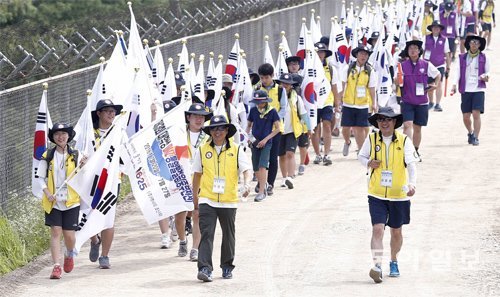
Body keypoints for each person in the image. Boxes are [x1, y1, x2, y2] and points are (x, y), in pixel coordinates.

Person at [358, 107, 418, 283]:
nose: (384, 122)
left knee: (396, 232)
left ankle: (394, 260)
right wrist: (369, 162)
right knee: (377, 229)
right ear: (377, 122)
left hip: (399, 194)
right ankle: (377, 265)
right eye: (381, 119)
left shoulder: (404, 140)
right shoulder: (371, 138)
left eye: (388, 119)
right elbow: (361, 157)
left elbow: (412, 164)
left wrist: (412, 184)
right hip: (376, 193)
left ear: (394, 122)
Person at [192, 115, 252, 282]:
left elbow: (246, 170)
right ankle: (204, 268)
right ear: (209, 131)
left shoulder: (237, 149)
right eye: (213, 128)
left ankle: (227, 266)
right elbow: (197, 175)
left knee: (228, 235)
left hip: (228, 199)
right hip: (207, 198)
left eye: (220, 128)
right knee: (207, 234)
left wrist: (246, 185)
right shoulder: (202, 150)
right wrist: (194, 198)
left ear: (227, 131)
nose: (217, 131)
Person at [37, 123, 85, 279]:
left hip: (71, 201)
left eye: (64, 133)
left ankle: (69, 254)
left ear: (68, 136)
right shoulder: (47, 156)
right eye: (57, 134)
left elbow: (85, 175)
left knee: (70, 236)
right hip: (53, 200)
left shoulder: (77, 154)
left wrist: (84, 165)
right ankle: (56, 266)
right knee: (56, 231)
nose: (61, 136)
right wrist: (47, 192)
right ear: (53, 137)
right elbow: (39, 177)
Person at [88, 99, 123, 269]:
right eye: (107, 110)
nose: (111, 114)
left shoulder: (118, 133)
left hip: (111, 181)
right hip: (91, 182)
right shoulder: (89, 133)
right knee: (89, 215)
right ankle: (95, 240)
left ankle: (105, 256)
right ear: (99, 114)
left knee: (108, 219)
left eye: (113, 111)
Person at [397, 40, 441, 160]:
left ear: (419, 51)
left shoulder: (426, 64)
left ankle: (415, 150)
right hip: (407, 101)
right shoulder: (401, 66)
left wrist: (435, 85)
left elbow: (438, 75)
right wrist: (397, 79)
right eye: (410, 48)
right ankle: (408, 152)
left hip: (422, 101)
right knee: (407, 125)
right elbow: (397, 82)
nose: (413, 50)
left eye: (415, 48)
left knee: (417, 128)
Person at [450, 35, 490, 146]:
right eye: (472, 42)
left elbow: (488, 72)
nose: (474, 44)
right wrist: (454, 85)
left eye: (477, 43)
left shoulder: (484, 57)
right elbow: (457, 72)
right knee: (466, 116)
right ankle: (471, 132)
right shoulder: (462, 57)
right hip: (466, 89)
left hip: (478, 89)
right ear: (468, 44)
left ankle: (476, 137)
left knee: (476, 114)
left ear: (480, 45)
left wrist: (486, 76)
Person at [339, 45, 378, 157]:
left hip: (363, 104)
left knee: (359, 128)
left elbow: (372, 88)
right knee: (345, 128)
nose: (363, 56)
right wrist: (339, 100)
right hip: (348, 103)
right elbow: (342, 84)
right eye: (361, 53)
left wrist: (374, 103)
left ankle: (361, 152)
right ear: (356, 55)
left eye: (366, 54)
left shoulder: (370, 71)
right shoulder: (348, 69)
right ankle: (347, 142)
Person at [276, 73, 311, 187]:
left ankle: (290, 177)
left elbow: (304, 114)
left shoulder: (297, 98)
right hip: (279, 130)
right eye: (283, 83)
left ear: (291, 86)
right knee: (281, 155)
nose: (285, 85)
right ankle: (284, 177)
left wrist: (309, 128)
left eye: (287, 84)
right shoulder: (275, 97)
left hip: (293, 130)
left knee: (290, 153)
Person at [256, 63, 286, 195]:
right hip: (260, 130)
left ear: (272, 76)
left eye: (266, 78)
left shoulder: (280, 90)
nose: (264, 80)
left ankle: (271, 184)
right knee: (259, 158)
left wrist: (273, 119)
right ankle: (261, 182)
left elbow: (284, 108)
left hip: (275, 129)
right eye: (262, 78)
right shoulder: (256, 88)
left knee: (273, 158)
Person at [246, 90, 281, 202]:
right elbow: (248, 126)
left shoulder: (272, 111)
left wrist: (266, 139)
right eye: (257, 102)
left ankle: (261, 192)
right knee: (255, 166)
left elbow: (278, 128)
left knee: (263, 165)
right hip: (254, 142)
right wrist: (248, 138)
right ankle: (263, 183)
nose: (259, 104)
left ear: (265, 101)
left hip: (266, 142)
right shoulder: (253, 111)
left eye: (261, 102)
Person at [312, 42, 337, 166]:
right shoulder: (309, 67)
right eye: (318, 52)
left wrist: (337, 103)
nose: (320, 55)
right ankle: (317, 154)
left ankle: (327, 154)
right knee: (315, 128)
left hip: (327, 100)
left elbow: (334, 86)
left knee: (327, 125)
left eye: (322, 52)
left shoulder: (330, 68)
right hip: (313, 102)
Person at [286, 56, 309, 175]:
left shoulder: (304, 80)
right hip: (290, 118)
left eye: (296, 64)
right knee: (290, 146)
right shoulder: (284, 80)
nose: (293, 66)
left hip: (302, 115)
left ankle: (302, 164)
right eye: (291, 64)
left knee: (302, 143)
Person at [423, 20, 451, 111]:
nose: (436, 29)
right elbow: (421, 51)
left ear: (440, 29)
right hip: (428, 64)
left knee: (439, 84)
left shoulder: (444, 39)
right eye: (434, 27)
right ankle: (431, 102)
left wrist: (448, 67)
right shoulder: (425, 38)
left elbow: (447, 53)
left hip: (440, 65)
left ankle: (438, 104)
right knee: (430, 84)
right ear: (431, 29)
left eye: (437, 27)